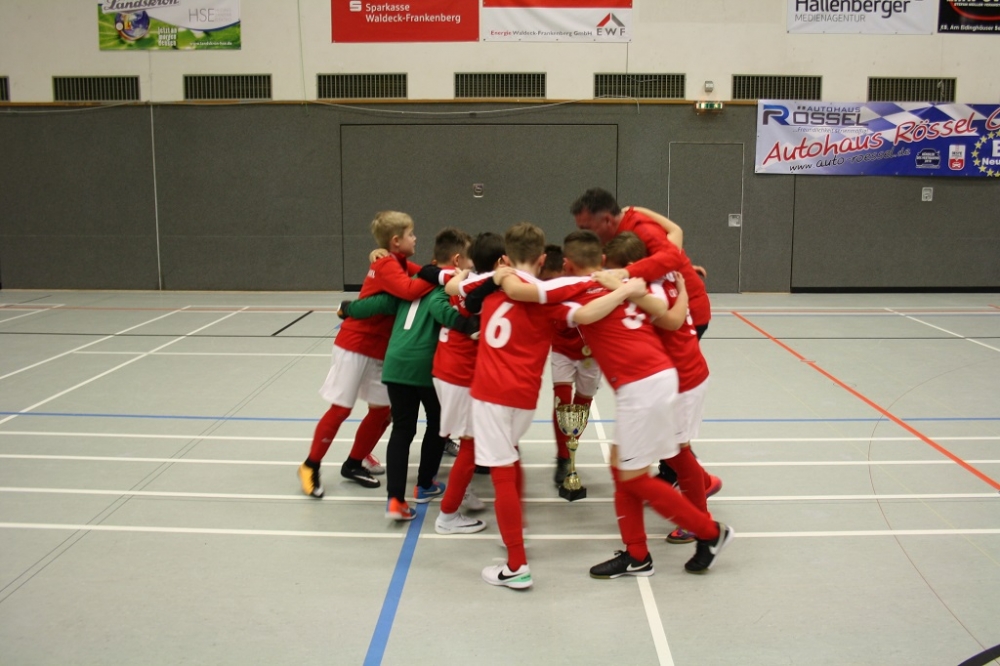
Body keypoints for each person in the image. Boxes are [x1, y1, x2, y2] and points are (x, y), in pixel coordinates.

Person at [497, 230, 733, 578]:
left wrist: (499, 273)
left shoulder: (574, 288)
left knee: (633, 478)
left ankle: (709, 532)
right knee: (621, 468)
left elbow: (520, 291)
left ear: (568, 264)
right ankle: (637, 554)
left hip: (642, 386)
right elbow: (665, 312)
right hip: (654, 380)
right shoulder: (627, 281)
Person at [470, 223, 645, 590]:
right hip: (523, 398)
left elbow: (455, 286)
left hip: (489, 394)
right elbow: (586, 314)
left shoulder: (488, 287)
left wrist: (495, 277)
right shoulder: (549, 301)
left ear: (505, 258)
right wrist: (621, 287)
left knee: (501, 472)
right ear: (542, 260)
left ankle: (516, 565)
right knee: (510, 458)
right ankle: (516, 530)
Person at [339, 227, 480, 521]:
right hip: (423, 365)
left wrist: (350, 308)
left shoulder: (411, 283)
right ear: (457, 260)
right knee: (438, 423)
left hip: (395, 363)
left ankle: (395, 500)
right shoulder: (448, 286)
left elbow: (380, 304)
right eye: (469, 260)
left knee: (402, 429)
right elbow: (440, 309)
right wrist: (469, 327)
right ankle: (425, 483)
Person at [297, 211, 435, 499]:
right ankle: (310, 465)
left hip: (379, 348)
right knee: (341, 409)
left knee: (382, 410)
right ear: (396, 240)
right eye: (411, 234)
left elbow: (421, 272)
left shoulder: (397, 262)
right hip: (355, 345)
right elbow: (411, 289)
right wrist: (441, 275)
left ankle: (354, 463)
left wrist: (441, 271)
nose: (415, 238)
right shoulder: (386, 265)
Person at [602, 231, 722, 545]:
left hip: (684, 378)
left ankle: (700, 517)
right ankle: (702, 486)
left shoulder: (647, 291)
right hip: (685, 372)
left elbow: (672, 320)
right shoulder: (665, 276)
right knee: (675, 450)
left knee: (679, 452)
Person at [432, 231, 507, 535]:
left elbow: (449, 287)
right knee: (470, 444)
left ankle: (459, 490)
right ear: (501, 261)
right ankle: (447, 516)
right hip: (460, 373)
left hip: (446, 366)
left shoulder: (465, 279)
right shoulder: (491, 289)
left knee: (471, 441)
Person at [571, 188, 712, 338]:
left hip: (685, 312)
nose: (584, 234)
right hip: (662, 306)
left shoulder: (641, 227)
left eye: (587, 228)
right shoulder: (615, 231)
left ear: (607, 220)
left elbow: (672, 257)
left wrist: (625, 272)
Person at [539, 244, 601, 488]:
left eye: (551, 279)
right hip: (562, 350)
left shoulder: (587, 283)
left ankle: (571, 450)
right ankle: (563, 458)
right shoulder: (543, 289)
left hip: (591, 353)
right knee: (562, 402)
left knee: (581, 405)